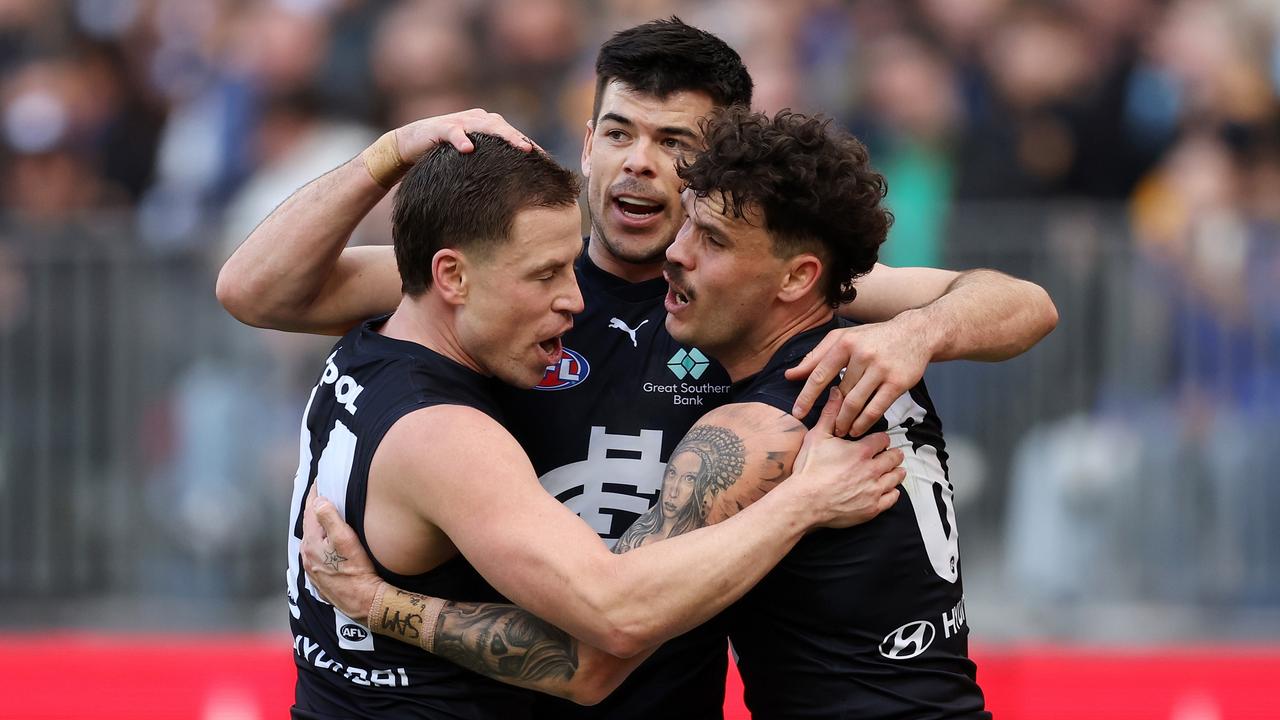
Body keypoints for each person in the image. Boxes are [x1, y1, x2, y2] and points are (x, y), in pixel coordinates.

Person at [217, 17, 1057, 719]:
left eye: (673, 142)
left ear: (718, 166)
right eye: (618, 133)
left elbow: (1024, 303)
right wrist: (396, 151)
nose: (639, 162)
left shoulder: (753, 291)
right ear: (586, 145)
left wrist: (922, 332)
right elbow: (255, 290)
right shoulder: (501, 284)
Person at [287, 131, 904, 719]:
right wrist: (804, 500)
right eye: (547, 273)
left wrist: (926, 328)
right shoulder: (445, 436)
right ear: (452, 275)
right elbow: (605, 634)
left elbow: (996, 302)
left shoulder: (362, 351)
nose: (578, 300)